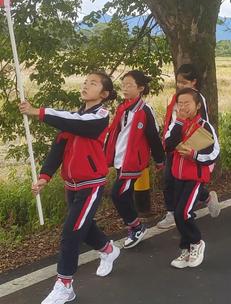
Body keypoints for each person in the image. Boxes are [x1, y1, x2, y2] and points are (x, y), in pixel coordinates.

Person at [19, 71, 120, 304]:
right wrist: (45, 176)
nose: (85, 86)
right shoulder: (75, 118)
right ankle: (108, 250)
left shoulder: (99, 116)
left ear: (104, 94)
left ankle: (65, 285)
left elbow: (74, 122)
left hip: (90, 185)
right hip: (71, 184)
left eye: (92, 83)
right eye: (85, 82)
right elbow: (58, 150)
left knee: (70, 234)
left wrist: (39, 112)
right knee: (84, 227)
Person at [104, 70, 165, 249]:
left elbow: (154, 136)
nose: (125, 88)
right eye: (123, 85)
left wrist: (160, 160)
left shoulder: (145, 111)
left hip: (133, 162)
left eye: (129, 85)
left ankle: (136, 227)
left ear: (140, 88)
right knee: (124, 194)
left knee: (117, 194)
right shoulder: (123, 107)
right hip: (120, 159)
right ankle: (134, 224)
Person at [158, 63, 219, 229]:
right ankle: (201, 200)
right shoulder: (177, 98)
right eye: (178, 82)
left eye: (184, 83)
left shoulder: (197, 99)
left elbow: (202, 127)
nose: (180, 85)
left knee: (176, 181)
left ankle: (177, 214)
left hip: (188, 148)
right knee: (171, 180)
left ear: (194, 82)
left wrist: (197, 153)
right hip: (174, 145)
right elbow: (172, 120)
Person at [165, 87, 220, 268]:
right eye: (179, 103)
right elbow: (168, 145)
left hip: (195, 177)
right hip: (177, 176)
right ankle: (185, 248)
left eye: (187, 103)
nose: (183, 106)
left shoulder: (205, 126)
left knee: (183, 212)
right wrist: (179, 122)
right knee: (179, 214)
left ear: (197, 105)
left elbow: (213, 153)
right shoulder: (177, 124)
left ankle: (196, 243)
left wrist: (195, 156)